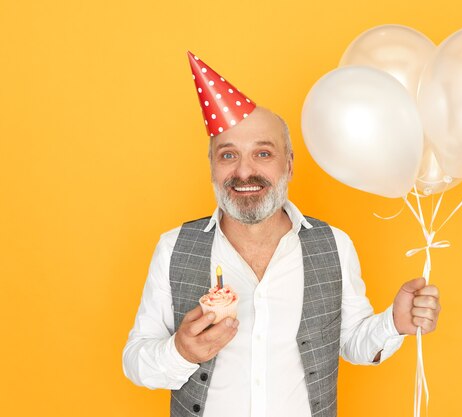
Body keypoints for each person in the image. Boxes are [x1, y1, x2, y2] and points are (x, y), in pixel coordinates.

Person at [122, 53, 441, 417]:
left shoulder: (334, 245)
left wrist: (395, 323)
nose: (244, 171)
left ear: (288, 164)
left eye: (262, 153)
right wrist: (181, 351)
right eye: (228, 155)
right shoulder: (174, 247)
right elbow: (135, 361)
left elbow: (353, 342)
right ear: (212, 165)